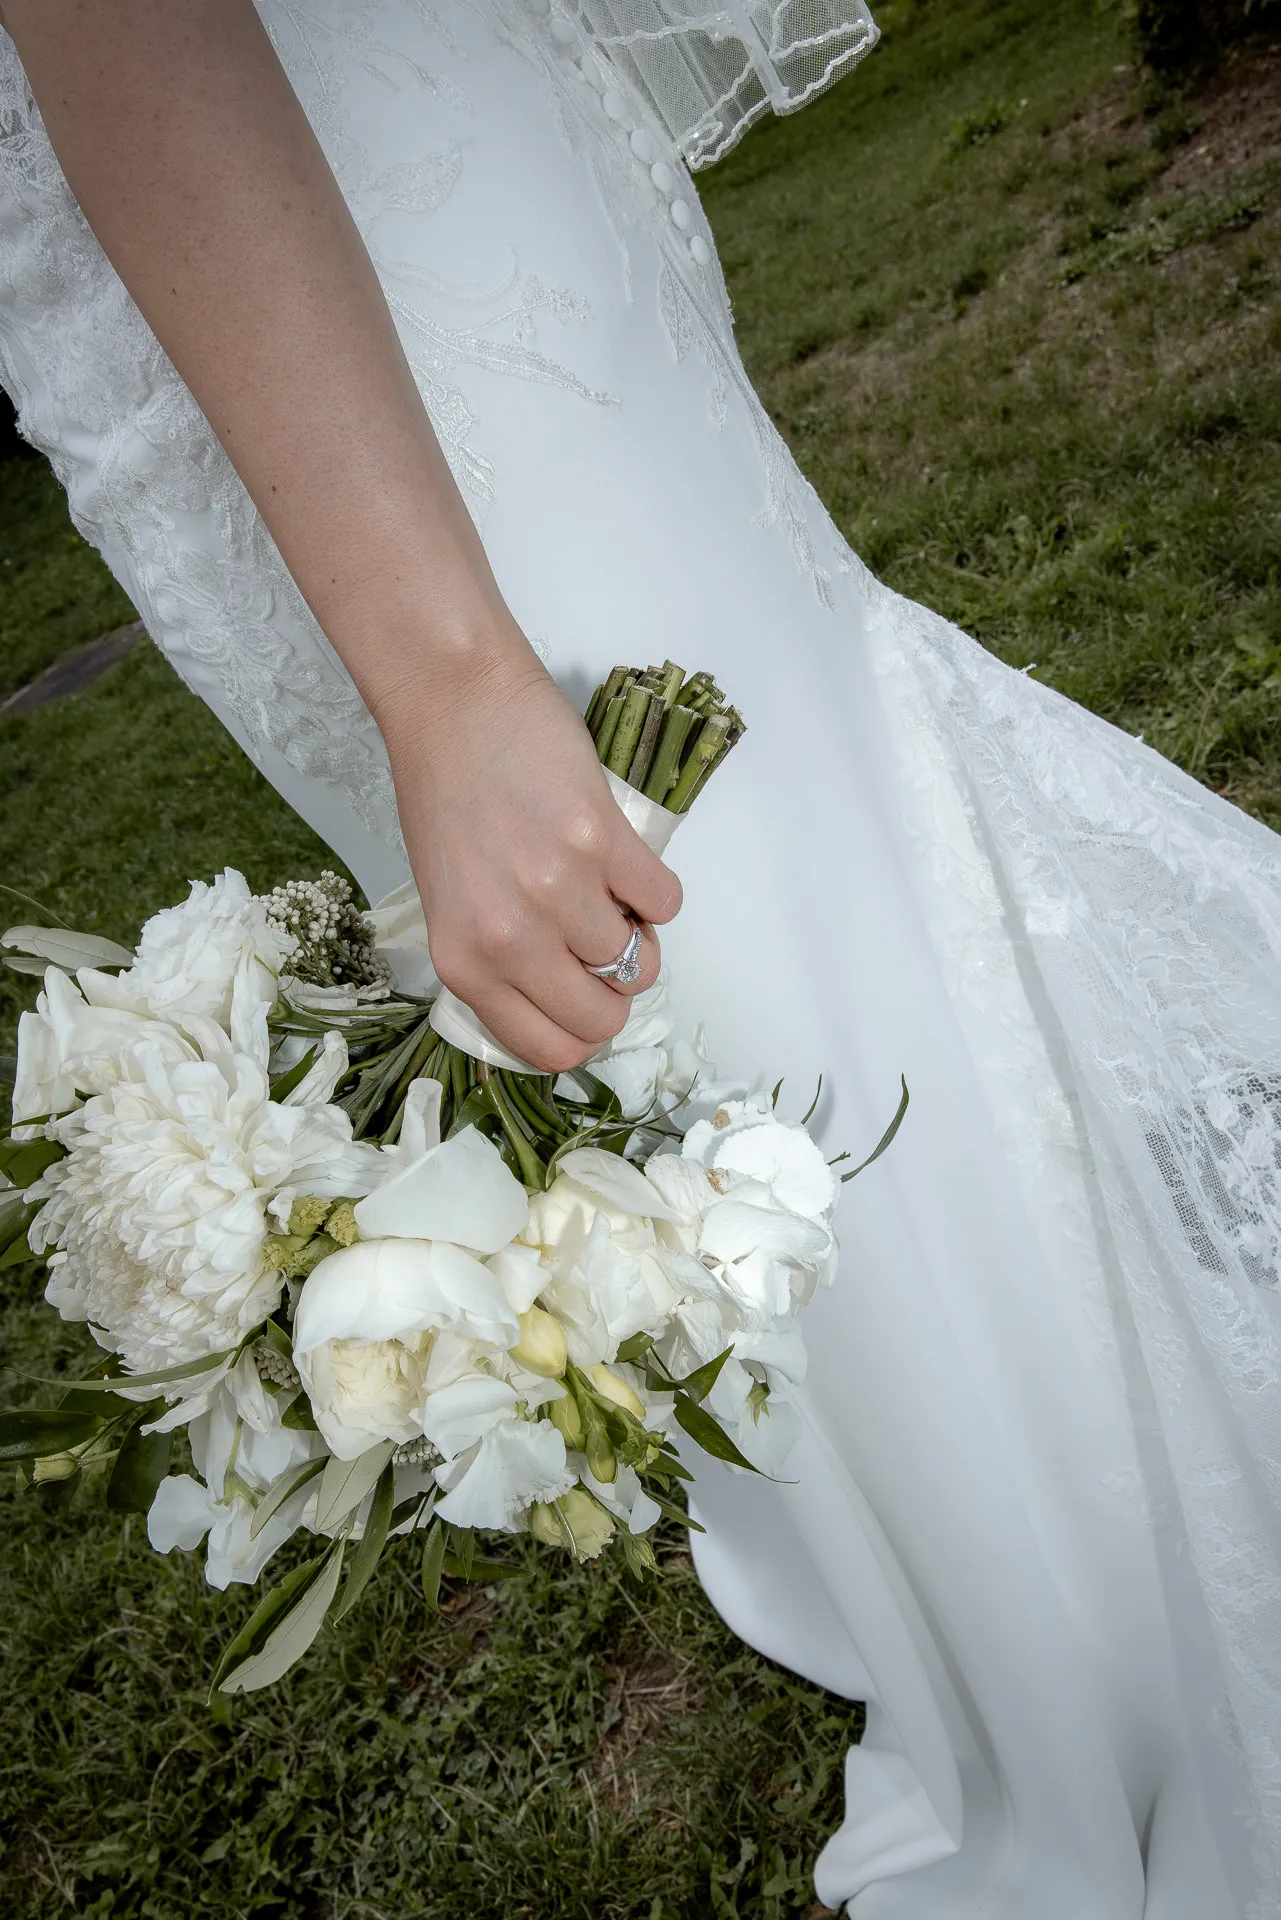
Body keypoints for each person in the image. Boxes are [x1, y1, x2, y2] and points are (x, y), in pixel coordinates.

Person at [1, 3, 1279, 1913]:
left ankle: (1116, 1596)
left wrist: (444, 682)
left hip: (291, 186)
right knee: (724, 966)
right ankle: (1021, 1549)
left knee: (730, 930)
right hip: (206, 265)